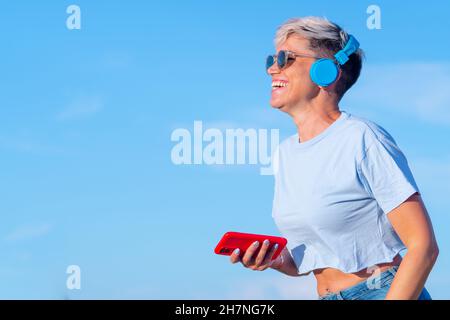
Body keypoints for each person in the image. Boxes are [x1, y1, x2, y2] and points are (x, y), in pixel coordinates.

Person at [229, 16, 439, 300]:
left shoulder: (362, 138)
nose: (272, 68)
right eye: (272, 58)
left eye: (285, 57)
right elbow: (317, 258)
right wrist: (276, 261)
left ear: (325, 71)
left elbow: (423, 246)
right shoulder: (287, 152)